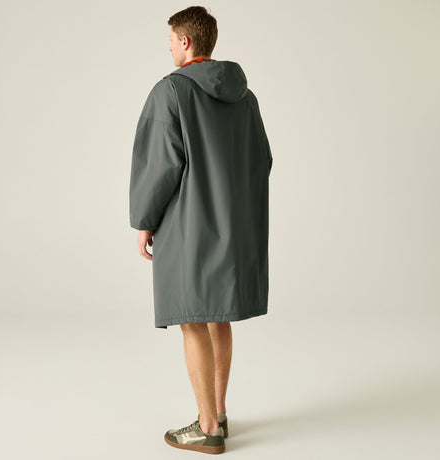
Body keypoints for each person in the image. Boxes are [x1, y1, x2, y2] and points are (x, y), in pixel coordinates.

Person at [129, 6, 273, 454]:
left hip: (188, 227)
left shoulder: (171, 90)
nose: (169, 48)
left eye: (171, 40)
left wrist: (144, 220)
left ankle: (207, 427)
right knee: (218, 316)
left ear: (186, 42)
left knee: (192, 318)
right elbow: (262, 160)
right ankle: (220, 414)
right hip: (232, 228)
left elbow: (160, 165)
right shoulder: (245, 97)